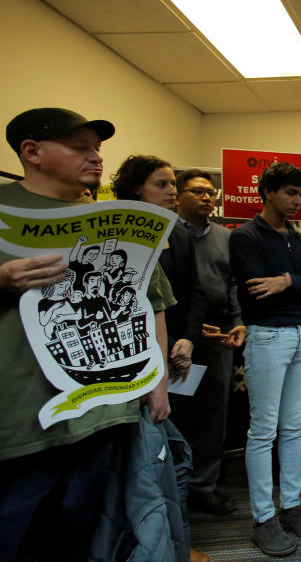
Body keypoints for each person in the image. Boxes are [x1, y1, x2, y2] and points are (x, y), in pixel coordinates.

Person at [0, 107, 175, 561]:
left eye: (97, 149)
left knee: (83, 533)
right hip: (23, 416)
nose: (96, 158)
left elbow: (150, 302)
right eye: (80, 148)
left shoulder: (117, 218)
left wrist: (156, 385)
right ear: (32, 152)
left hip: (103, 410)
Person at [230, 161, 301, 556]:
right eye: (290, 193)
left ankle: (290, 506)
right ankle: (263, 517)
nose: (296, 201)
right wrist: (297, 287)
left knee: (293, 427)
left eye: (300, 194)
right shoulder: (245, 237)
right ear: (267, 192)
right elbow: (255, 291)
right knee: (263, 430)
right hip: (267, 336)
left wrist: (287, 281)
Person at [174, 168, 246, 516]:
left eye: (211, 192)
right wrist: (185, 330)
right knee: (176, 413)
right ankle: (175, 486)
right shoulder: (165, 234)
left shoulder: (224, 236)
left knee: (213, 413)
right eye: (198, 191)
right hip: (177, 337)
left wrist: (237, 321)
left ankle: (204, 485)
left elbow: (232, 283)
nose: (207, 197)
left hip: (218, 336)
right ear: (178, 195)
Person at [112, 155, 201, 383]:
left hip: (180, 350)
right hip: (133, 347)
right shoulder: (116, 234)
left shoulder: (180, 234)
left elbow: (196, 291)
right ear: (136, 189)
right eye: (161, 185)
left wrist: (188, 338)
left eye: (173, 184)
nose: (172, 191)